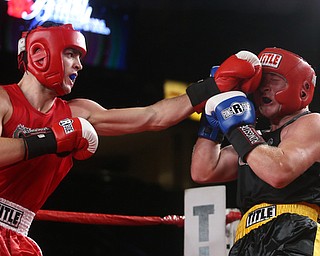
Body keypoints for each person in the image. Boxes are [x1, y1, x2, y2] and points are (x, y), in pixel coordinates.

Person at [0, 22, 263, 255]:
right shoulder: (3, 100)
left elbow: (152, 116)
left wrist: (213, 86)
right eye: (71, 54)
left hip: (16, 235)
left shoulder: (77, 113)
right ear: (39, 54)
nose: (79, 65)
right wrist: (51, 139)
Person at [191, 47, 320, 255]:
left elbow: (279, 172)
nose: (263, 88)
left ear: (303, 90)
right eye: (261, 82)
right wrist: (212, 119)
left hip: (294, 232)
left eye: (274, 80)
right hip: (246, 239)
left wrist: (237, 126)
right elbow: (204, 170)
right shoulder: (257, 139)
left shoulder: (313, 124)